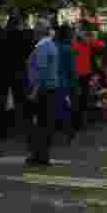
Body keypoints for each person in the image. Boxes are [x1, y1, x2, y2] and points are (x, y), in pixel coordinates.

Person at [26, 18, 60, 167]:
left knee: (39, 123)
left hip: (43, 90)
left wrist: (34, 91)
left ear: (39, 31)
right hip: (50, 89)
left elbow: (41, 69)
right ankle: (42, 154)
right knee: (45, 123)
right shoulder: (50, 44)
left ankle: (39, 155)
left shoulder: (42, 46)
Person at [5, 16, 34, 138]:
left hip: (7, 70)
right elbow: (30, 52)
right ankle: (22, 124)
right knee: (21, 98)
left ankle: (10, 123)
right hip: (21, 70)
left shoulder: (4, 36)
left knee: (9, 98)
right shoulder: (24, 37)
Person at [72, 24, 104, 133]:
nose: (80, 32)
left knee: (84, 98)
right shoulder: (73, 42)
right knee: (76, 98)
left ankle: (82, 121)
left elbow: (101, 45)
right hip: (75, 74)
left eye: (82, 30)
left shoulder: (88, 41)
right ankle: (76, 122)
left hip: (86, 74)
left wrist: (89, 39)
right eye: (78, 30)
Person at [55, 24, 78, 141]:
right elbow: (72, 70)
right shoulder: (68, 49)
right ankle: (68, 134)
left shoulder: (53, 46)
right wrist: (75, 84)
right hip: (65, 84)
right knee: (66, 110)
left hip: (52, 82)